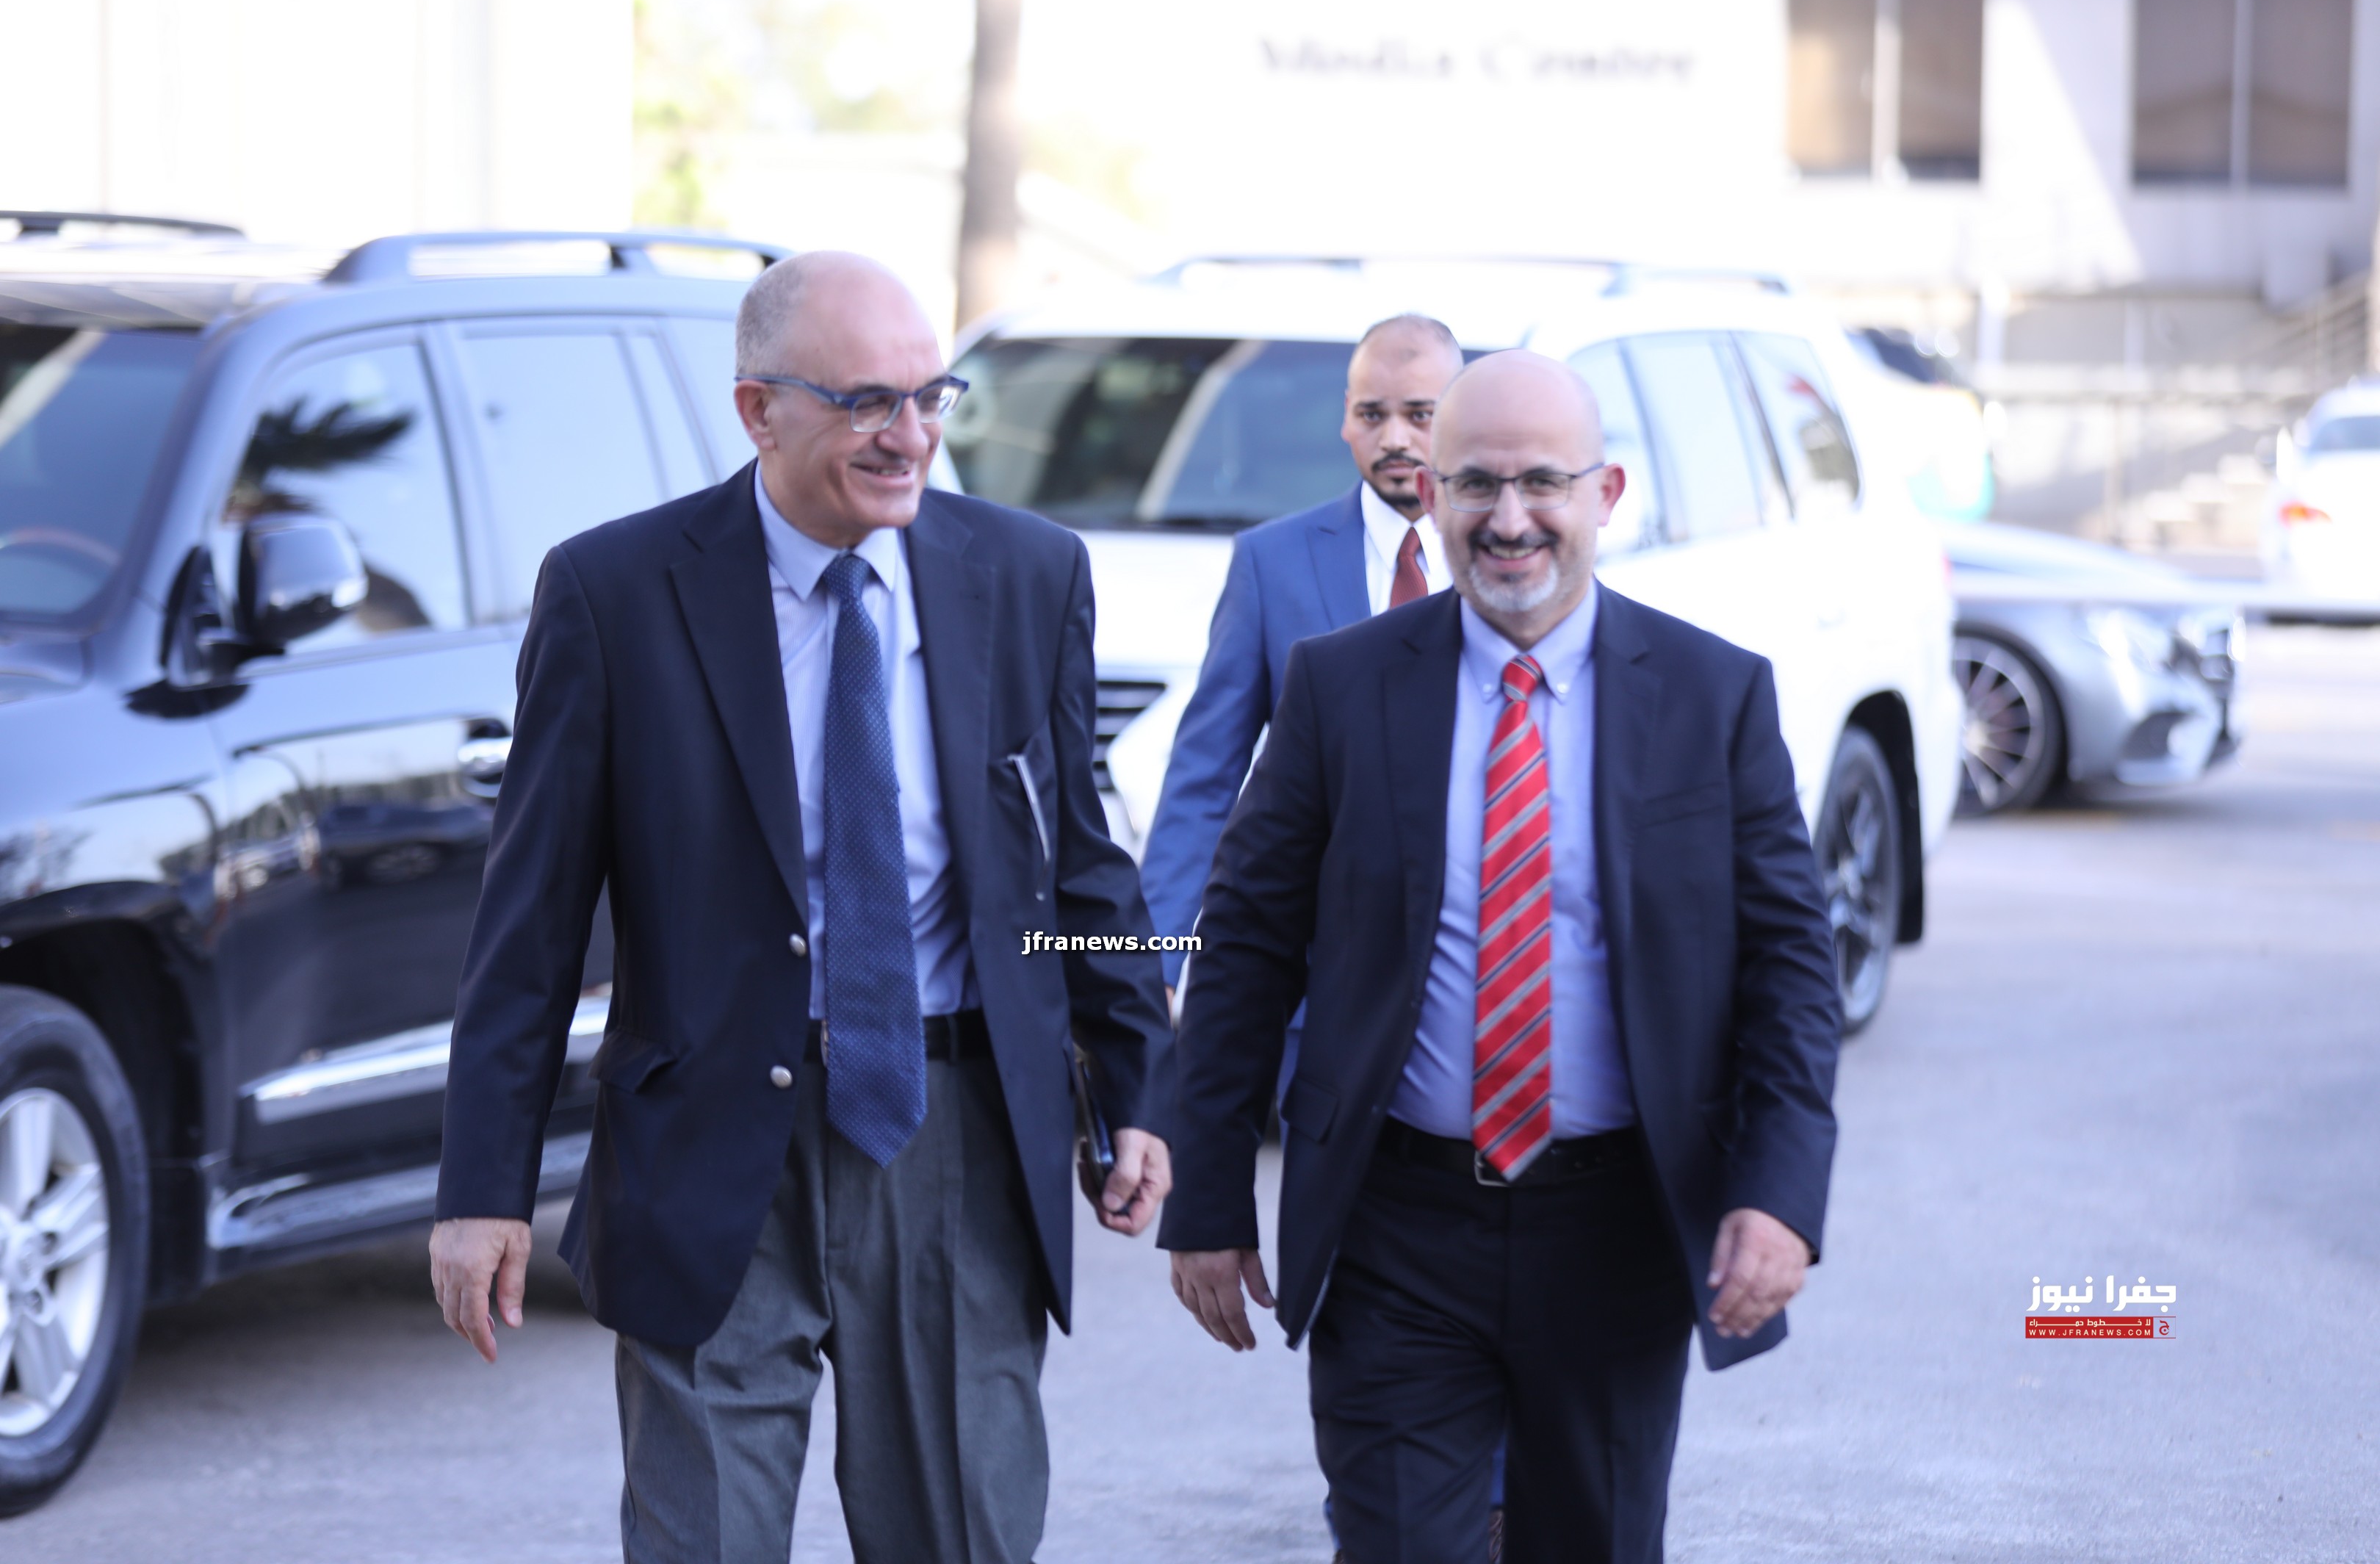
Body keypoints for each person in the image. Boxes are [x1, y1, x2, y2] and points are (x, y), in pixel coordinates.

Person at [428, 252, 1174, 1564]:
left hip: (955, 1137)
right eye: (866, 401)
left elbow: (1080, 866)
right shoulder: (616, 591)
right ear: (758, 410)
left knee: (965, 1538)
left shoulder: (1028, 572)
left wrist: (1140, 1082)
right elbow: (530, 921)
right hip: (710, 1145)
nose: (910, 434)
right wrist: (482, 1187)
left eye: (930, 396)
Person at [1160, 350, 1842, 1564]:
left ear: (1605, 495)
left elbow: (1790, 965)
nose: (1509, 518)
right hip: (1397, 1228)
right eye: (1476, 483)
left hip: (1618, 1230)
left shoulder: (1713, 697)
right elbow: (1249, 943)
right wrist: (1206, 1192)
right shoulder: (1342, 689)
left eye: (1542, 484)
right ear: (1431, 495)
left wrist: (1779, 1191)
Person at [1139, 314, 1466, 1000]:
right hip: (1313, 977)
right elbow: (1206, 773)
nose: (1395, 438)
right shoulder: (1271, 563)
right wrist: (1153, 964)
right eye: (1372, 414)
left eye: (1421, 415)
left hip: (1471, 964)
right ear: (1346, 418)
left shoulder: (1503, 558)